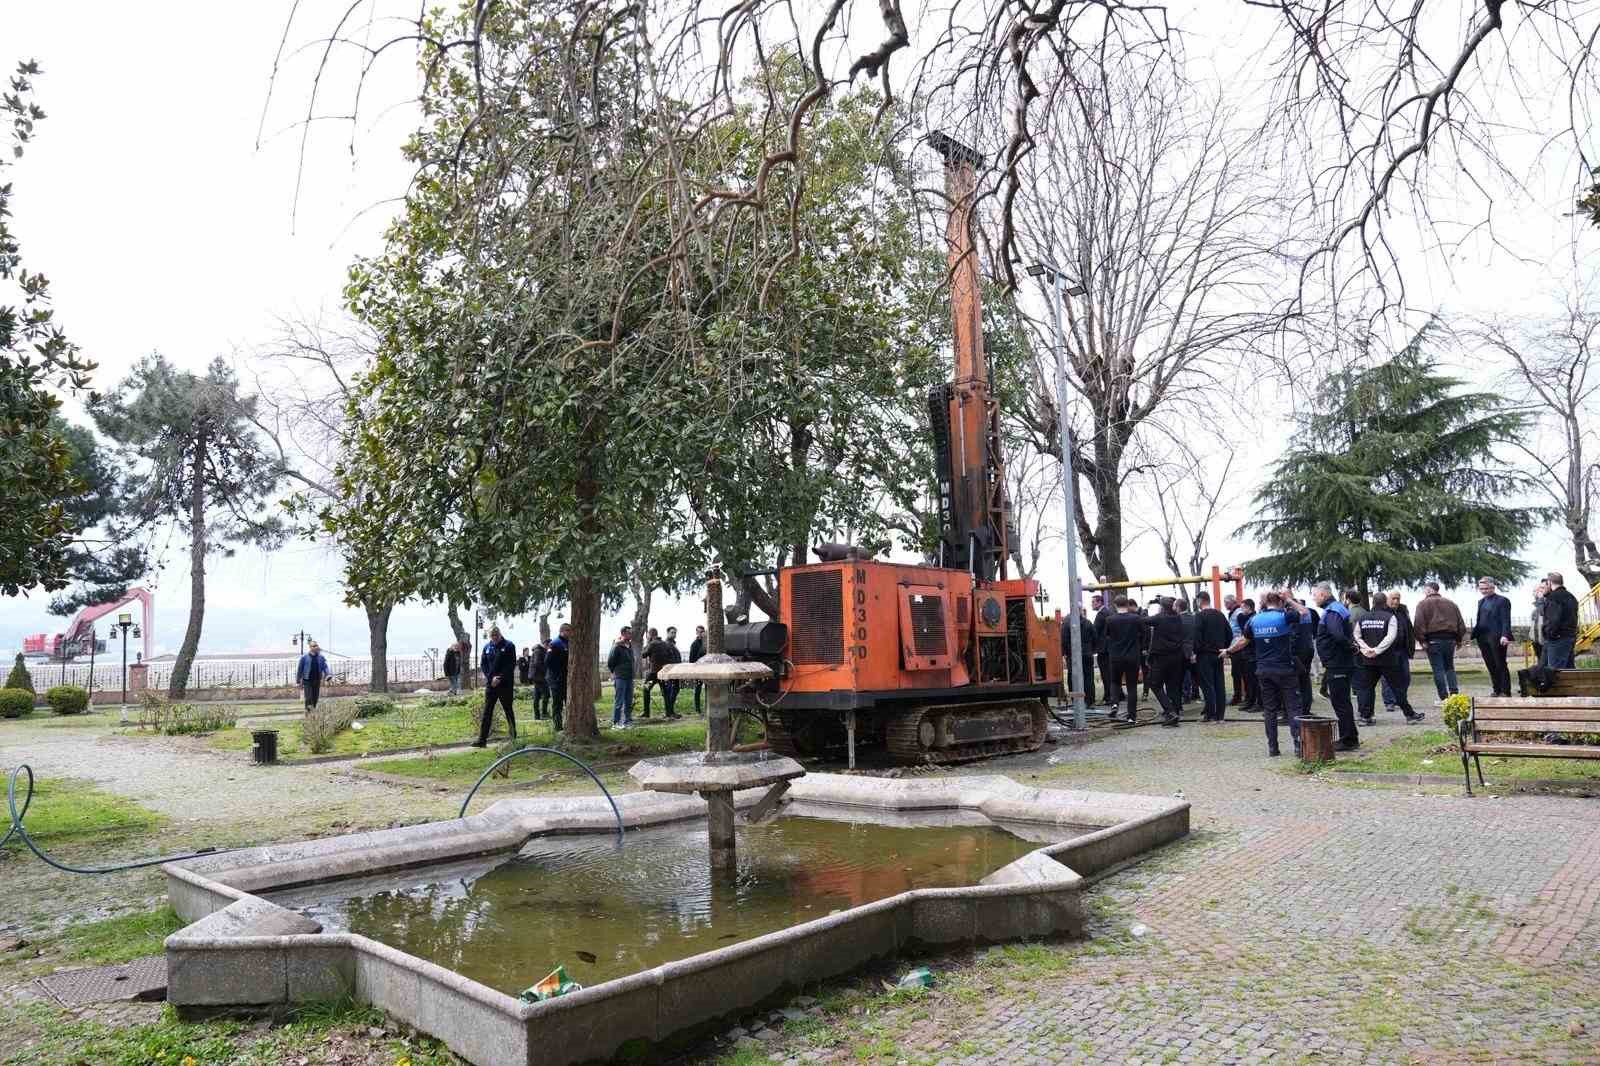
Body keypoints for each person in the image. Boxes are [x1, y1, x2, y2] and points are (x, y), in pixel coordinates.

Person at [1223, 591, 1302, 756]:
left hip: (1264, 670)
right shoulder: (1285, 617)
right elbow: (1304, 612)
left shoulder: (1254, 620)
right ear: (1280, 602)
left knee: (1269, 710)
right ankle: (1298, 746)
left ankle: (1273, 748)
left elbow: (1244, 640)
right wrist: (1289, 599)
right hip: (1285, 669)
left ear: (1264, 603)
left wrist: (1228, 651)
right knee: (1293, 707)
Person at [1355, 596, 1425, 725]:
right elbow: (1391, 637)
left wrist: (1366, 650)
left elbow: (1357, 636)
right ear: (1385, 603)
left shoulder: (1363, 618)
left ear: (1373, 602)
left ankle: (1365, 717)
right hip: (1387, 659)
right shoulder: (1390, 617)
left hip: (1368, 660)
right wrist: (1377, 650)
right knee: (1397, 687)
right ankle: (1409, 715)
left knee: (1366, 688)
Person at [1313, 583, 1359, 750]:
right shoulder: (1335, 608)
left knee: (1340, 702)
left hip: (1338, 663)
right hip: (1338, 662)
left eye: (1315, 595)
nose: (1313, 598)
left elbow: (1337, 634)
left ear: (1323, 595)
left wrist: (1350, 647)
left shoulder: (1333, 610)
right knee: (1342, 701)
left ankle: (1348, 740)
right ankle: (1351, 737)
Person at [1412, 580, 1467, 702]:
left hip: (1433, 641)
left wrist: (1422, 640)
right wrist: (1458, 640)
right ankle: (1454, 693)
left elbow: (1418, 624)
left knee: (1438, 669)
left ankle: (1444, 697)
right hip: (1450, 640)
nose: (1424, 592)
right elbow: (1461, 624)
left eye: (1424, 590)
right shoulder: (1451, 603)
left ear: (1429, 590)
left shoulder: (1422, 604)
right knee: (1449, 667)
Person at [1143, 599, 1193, 726]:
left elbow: (1143, 620)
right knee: (1174, 686)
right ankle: (1175, 711)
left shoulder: (1160, 618)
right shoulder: (1178, 619)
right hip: (1176, 657)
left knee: (1154, 684)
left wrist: (1144, 609)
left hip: (1161, 658)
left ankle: (1170, 712)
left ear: (1162, 608)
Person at [1102, 597, 1147, 722]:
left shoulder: (1109, 620)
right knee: (1132, 686)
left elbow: (1106, 636)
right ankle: (1132, 716)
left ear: (1115, 605)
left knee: (1115, 682)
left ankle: (1115, 704)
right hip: (1132, 656)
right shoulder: (1136, 618)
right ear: (1127, 604)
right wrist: (1140, 646)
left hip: (1116, 656)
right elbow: (1144, 633)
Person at [474, 625, 517, 748]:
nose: (494, 638)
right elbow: (483, 664)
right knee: (487, 712)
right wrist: (490, 678)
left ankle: (513, 736)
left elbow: (511, 665)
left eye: (496, 635)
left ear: (500, 634)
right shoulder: (487, 647)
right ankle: (482, 739)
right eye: (492, 636)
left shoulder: (509, 645)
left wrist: (500, 678)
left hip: (504, 684)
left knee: (508, 709)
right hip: (491, 684)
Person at [1193, 592, 1232, 722]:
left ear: (1200, 601)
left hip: (1204, 655)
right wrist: (1224, 648)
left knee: (1208, 684)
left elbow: (1196, 637)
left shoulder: (1199, 616)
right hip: (1219, 654)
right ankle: (1220, 715)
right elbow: (1229, 634)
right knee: (1219, 684)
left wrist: (1196, 651)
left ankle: (1210, 714)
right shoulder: (1220, 615)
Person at [1473, 576, 1515, 695]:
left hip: (1497, 637)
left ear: (1493, 587)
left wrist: (1505, 635)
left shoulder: (1502, 600)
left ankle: (1505, 691)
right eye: (1481, 588)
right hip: (1482, 637)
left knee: (1500, 663)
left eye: (1486, 588)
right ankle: (1496, 689)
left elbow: (1506, 620)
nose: (1484, 591)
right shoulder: (1481, 602)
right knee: (1490, 665)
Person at [1380, 592, 1416, 713]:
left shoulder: (1403, 612)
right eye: (1393, 599)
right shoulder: (1383, 613)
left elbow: (1409, 629)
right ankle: (1389, 702)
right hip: (1388, 650)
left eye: (1398, 599)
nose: (1395, 601)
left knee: (1405, 677)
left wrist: (1410, 646)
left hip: (1402, 650)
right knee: (1387, 677)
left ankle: (1401, 699)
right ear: (1387, 600)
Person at [1541, 571, 1580, 669]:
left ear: (1550, 582)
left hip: (1557, 639)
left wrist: (1548, 634)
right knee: (1568, 671)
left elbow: (1553, 621)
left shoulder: (1554, 597)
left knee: (1555, 673)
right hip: (1570, 637)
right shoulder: (1572, 597)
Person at [1291, 593, 1319, 716]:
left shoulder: (1294, 616)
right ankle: (1306, 708)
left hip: (1298, 652)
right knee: (1305, 679)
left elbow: (1293, 635)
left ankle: (1298, 710)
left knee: (1296, 681)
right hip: (1308, 649)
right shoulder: (1309, 613)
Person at [1092, 594, 1119, 707]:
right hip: (1111, 648)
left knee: (1106, 674)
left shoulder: (1101, 615)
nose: (1091, 604)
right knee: (1112, 673)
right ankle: (1116, 695)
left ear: (1099, 602)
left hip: (1103, 649)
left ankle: (1108, 697)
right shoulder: (1109, 612)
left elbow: (1095, 632)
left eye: (1093, 602)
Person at [607, 626, 635, 728]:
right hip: (620, 677)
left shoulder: (630, 646)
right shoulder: (617, 646)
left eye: (631, 633)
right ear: (623, 634)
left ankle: (627, 721)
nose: (631, 635)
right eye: (629, 633)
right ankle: (616, 722)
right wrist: (615, 672)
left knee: (629, 700)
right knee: (619, 701)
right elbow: (610, 662)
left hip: (629, 677)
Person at [545, 623, 570, 732]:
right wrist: (558, 673)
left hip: (566, 679)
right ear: (562, 631)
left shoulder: (568, 642)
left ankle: (568, 725)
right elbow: (548, 661)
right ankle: (558, 727)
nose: (571, 633)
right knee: (557, 705)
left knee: (568, 702)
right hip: (556, 680)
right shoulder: (555, 643)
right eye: (569, 631)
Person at [1235, 598, 1259, 711]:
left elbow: (1247, 635)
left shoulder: (1253, 619)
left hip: (1252, 652)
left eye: (1243, 607)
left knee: (1253, 680)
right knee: (1248, 679)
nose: (1241, 609)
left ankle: (1254, 701)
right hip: (1247, 652)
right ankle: (1249, 700)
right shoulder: (1245, 618)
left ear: (1249, 607)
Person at [296, 640, 330, 711]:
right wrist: (298, 681)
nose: (316, 647)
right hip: (307, 680)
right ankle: (308, 714)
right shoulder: (304, 658)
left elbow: (325, 667)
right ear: (310, 647)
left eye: (316, 646)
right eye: (314, 646)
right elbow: (300, 669)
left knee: (315, 699)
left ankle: (313, 713)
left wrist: (327, 675)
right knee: (308, 698)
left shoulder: (321, 657)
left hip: (317, 680)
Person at [640, 628, 667, 718]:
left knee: (646, 689)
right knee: (665, 692)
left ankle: (646, 713)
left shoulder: (652, 644)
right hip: (663, 672)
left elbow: (643, 655)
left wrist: (647, 643)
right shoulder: (664, 643)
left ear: (650, 635)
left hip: (654, 672)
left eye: (647, 635)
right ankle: (668, 712)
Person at [661, 626, 684, 718]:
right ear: (667, 633)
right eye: (672, 632)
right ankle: (669, 712)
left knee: (674, 690)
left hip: (675, 670)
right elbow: (667, 658)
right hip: (671, 671)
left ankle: (670, 711)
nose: (674, 634)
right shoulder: (666, 644)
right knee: (672, 691)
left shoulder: (672, 644)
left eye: (675, 633)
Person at [1529, 579, 1549, 668]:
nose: (1535, 593)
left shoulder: (1547, 603)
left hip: (1545, 641)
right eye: (1535, 591)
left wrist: (1541, 599)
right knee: (1541, 664)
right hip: (1536, 641)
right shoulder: (1535, 609)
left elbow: (1544, 615)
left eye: (1540, 590)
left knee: (1545, 665)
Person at [689, 624, 707, 714]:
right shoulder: (694, 644)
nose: (701, 634)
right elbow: (691, 659)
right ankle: (697, 709)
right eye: (699, 632)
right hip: (698, 669)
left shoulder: (707, 643)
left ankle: (707, 706)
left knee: (708, 688)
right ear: (696, 632)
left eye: (702, 632)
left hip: (707, 669)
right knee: (698, 689)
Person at [531, 639, 550, 719]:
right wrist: (546, 671)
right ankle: (543, 713)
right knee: (546, 694)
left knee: (537, 696)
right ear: (546, 644)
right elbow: (537, 663)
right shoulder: (538, 651)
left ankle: (537, 715)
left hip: (538, 676)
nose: (548, 648)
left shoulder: (540, 650)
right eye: (548, 646)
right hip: (539, 677)